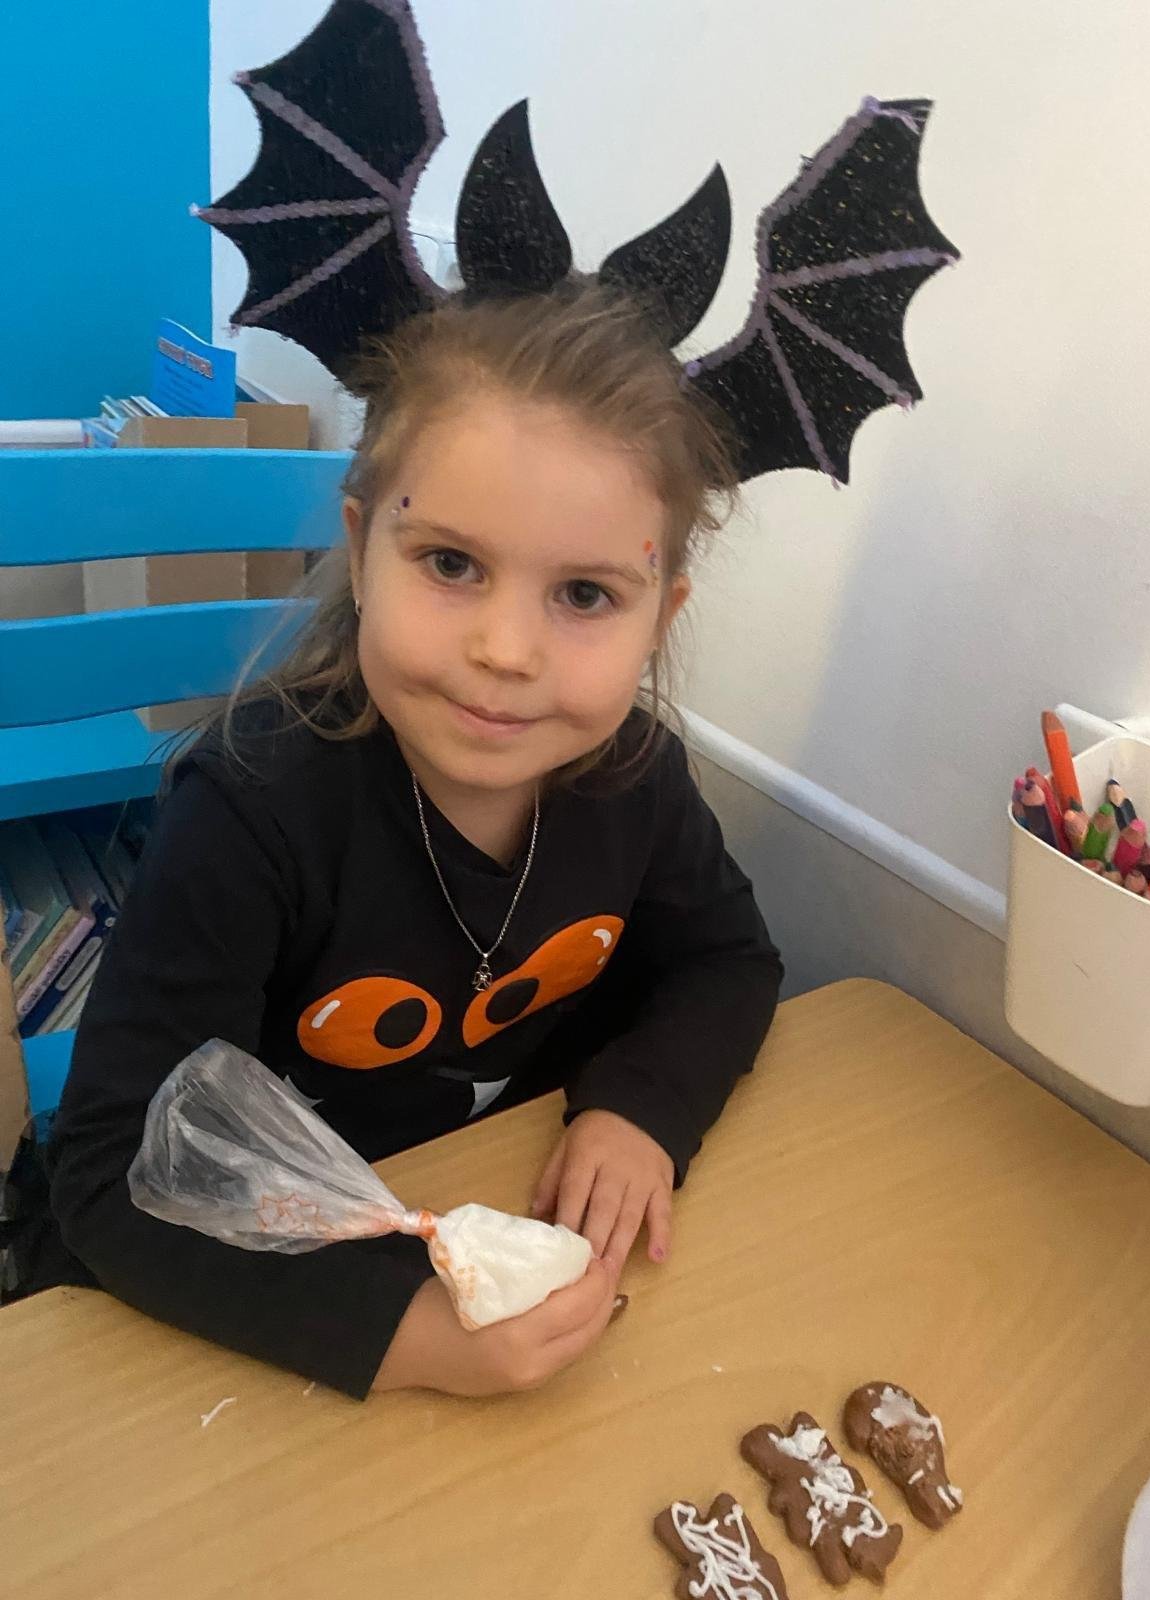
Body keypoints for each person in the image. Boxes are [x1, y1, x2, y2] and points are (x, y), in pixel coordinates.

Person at [48, 280, 782, 1399]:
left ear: (658, 617)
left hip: (497, 1203)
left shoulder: (637, 780)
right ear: (361, 548)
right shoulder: (248, 813)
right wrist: (405, 1336)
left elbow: (728, 961)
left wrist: (642, 1105)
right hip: (275, 1301)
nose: (506, 650)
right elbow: (112, 1177)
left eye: (586, 594)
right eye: (450, 564)